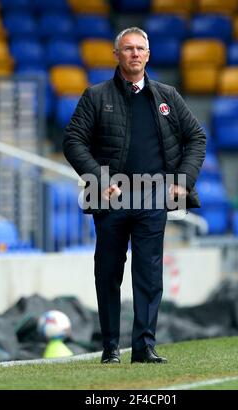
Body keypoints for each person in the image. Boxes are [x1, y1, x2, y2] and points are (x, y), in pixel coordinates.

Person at [63, 27, 206, 364]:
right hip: (111, 198)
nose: (135, 54)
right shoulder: (95, 96)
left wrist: (183, 180)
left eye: (140, 48)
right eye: (128, 49)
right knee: (108, 271)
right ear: (117, 55)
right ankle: (111, 347)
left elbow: (196, 137)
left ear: (149, 54)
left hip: (153, 197)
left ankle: (144, 347)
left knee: (149, 272)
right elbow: (72, 141)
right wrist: (99, 179)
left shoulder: (167, 95)